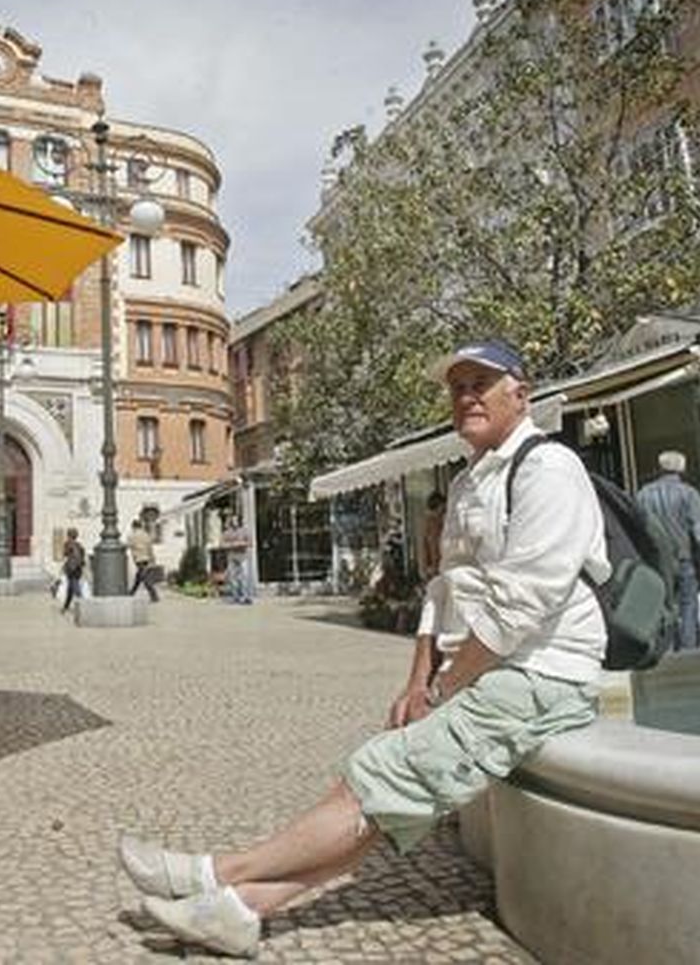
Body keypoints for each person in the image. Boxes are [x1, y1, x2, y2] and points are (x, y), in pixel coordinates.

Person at [117, 339, 608, 958]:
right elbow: (444, 590)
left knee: (379, 775)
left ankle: (218, 875)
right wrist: (416, 681)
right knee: (383, 784)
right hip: (487, 671)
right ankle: (242, 910)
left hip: (540, 673)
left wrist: (444, 689)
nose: (466, 396)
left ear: (521, 391)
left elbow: (521, 605)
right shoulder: (466, 482)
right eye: (457, 387)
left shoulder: (547, 469)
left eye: (481, 382)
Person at [635, 449, 700, 650]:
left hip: (656, 562)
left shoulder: (643, 494)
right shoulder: (689, 494)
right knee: (688, 608)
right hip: (684, 560)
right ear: (682, 469)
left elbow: (638, 528)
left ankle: (665, 651)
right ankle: (687, 655)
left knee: (663, 607)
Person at [128, 519, 160, 602]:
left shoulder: (132, 536)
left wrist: (134, 556)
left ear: (134, 526)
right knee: (139, 577)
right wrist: (153, 559)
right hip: (146, 558)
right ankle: (131, 592)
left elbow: (131, 547)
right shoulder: (146, 535)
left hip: (139, 559)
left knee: (145, 579)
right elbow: (150, 548)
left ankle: (154, 596)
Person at [60, 527, 86, 613]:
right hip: (77, 569)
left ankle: (82, 605)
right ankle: (66, 607)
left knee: (74, 587)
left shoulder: (68, 544)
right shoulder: (79, 545)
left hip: (71, 569)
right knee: (70, 589)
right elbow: (82, 556)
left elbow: (65, 554)